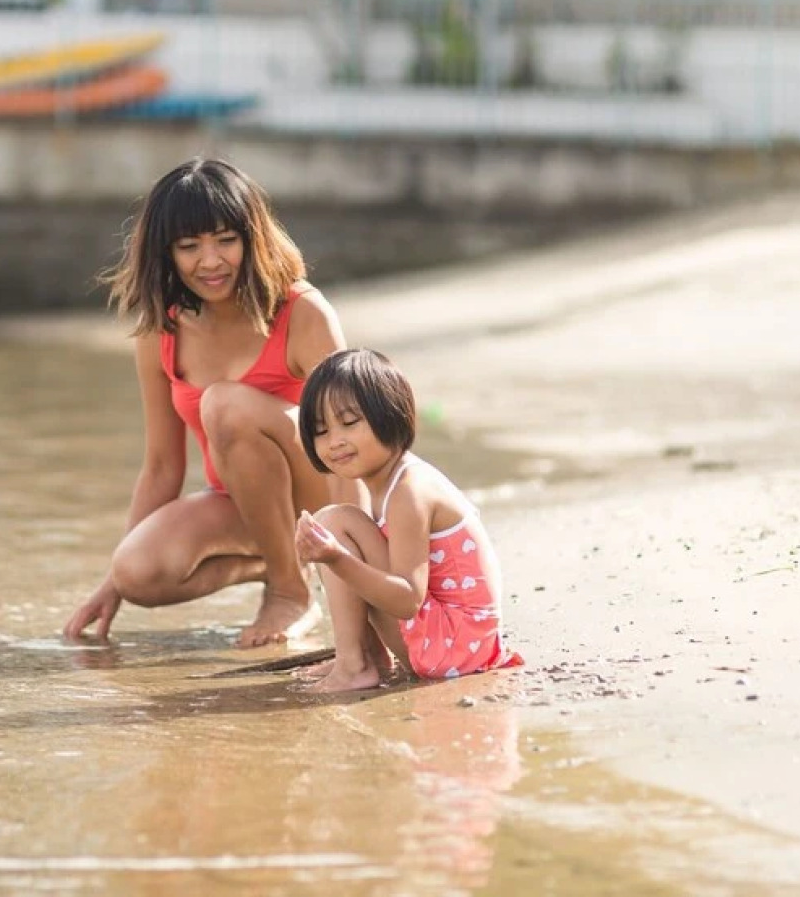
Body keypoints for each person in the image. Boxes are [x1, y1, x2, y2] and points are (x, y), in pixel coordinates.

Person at [63, 158, 357, 648]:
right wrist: (112, 584)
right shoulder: (163, 328)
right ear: (166, 253)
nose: (210, 260)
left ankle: (291, 589)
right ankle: (287, 557)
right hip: (246, 502)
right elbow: (161, 466)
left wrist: (362, 566)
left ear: (251, 237)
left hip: (325, 489)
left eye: (225, 239)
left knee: (223, 405)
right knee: (137, 570)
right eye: (189, 246)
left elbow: (357, 443)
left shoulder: (302, 312)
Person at [292, 348, 524, 692]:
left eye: (350, 423)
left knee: (335, 526)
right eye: (321, 430)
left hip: (458, 649)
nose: (334, 441)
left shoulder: (409, 491)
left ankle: (355, 664)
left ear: (389, 414)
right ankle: (362, 655)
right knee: (337, 523)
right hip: (456, 641)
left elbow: (407, 600)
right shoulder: (387, 484)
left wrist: (335, 558)